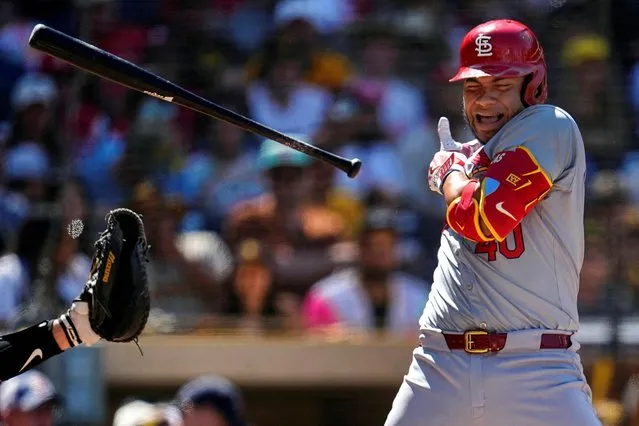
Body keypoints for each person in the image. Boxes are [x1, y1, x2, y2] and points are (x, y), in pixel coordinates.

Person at [383, 19, 601, 425]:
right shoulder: (470, 157)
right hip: (439, 364)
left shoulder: (550, 125)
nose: (484, 101)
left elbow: (483, 218)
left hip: (537, 367)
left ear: (531, 86)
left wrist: (449, 176)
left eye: (501, 86)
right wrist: (459, 168)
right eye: (473, 88)